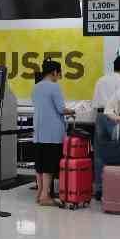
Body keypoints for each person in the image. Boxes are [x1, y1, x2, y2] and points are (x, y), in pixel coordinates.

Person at [31, 60, 75, 206]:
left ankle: (40, 193)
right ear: (55, 72)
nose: (59, 76)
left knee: (40, 164)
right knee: (49, 165)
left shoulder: (36, 87)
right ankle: (45, 196)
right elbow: (61, 109)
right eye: (59, 73)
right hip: (52, 132)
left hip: (38, 132)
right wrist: (72, 111)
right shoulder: (54, 87)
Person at [91, 55, 120, 199]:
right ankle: (115, 189)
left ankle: (99, 189)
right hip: (115, 117)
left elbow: (95, 103)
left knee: (99, 154)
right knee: (118, 153)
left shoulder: (101, 80)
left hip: (100, 117)